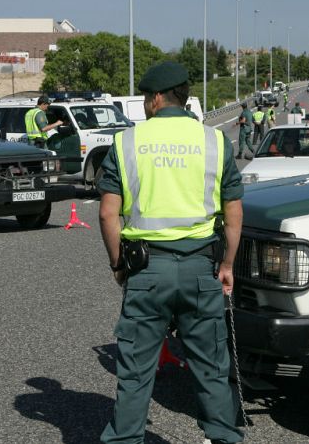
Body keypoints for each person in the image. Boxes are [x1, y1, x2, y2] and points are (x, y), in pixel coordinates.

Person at [98, 61, 245, 444]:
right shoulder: (215, 142)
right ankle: (224, 438)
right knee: (211, 368)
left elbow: (108, 212)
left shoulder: (127, 142)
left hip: (147, 271)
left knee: (134, 372)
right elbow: (233, 211)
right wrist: (227, 264)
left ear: (158, 98)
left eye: (147, 97)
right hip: (201, 270)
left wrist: (119, 265)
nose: (147, 103)